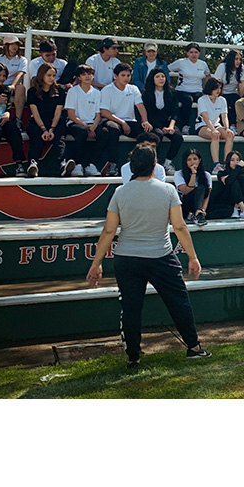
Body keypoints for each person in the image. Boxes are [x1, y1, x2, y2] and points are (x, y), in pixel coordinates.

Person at [86, 145, 210, 368]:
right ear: (155, 165)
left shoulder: (120, 192)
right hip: (160, 255)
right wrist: (193, 257)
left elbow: (109, 231)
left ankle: (133, 358)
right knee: (179, 302)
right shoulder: (168, 190)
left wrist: (97, 263)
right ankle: (193, 347)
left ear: (132, 166)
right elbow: (180, 227)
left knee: (131, 308)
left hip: (126, 257)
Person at [100, 63, 154, 177]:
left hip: (130, 121)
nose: (126, 78)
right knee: (113, 130)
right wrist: (122, 123)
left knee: (146, 133)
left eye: (128, 75)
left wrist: (145, 121)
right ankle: (112, 164)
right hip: (112, 120)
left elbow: (140, 106)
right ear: (116, 76)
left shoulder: (133, 89)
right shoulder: (107, 90)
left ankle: (144, 163)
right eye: (123, 75)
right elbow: (104, 112)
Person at [25, 62, 69, 177]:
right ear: (42, 75)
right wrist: (44, 129)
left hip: (55, 121)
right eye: (49, 75)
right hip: (38, 121)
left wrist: (52, 129)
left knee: (59, 138)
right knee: (36, 137)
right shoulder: (32, 91)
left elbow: (58, 112)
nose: (52, 78)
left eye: (54, 75)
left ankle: (63, 163)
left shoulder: (60, 90)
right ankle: (33, 164)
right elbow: (35, 113)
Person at [64, 64, 108, 177]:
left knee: (104, 133)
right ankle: (77, 165)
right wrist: (85, 126)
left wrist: (93, 127)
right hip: (75, 123)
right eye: (84, 74)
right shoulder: (73, 91)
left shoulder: (97, 93)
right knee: (81, 132)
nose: (87, 77)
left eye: (90, 74)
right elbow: (71, 115)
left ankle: (91, 164)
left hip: (92, 123)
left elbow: (98, 114)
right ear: (79, 77)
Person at [141, 68, 183, 175]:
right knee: (157, 135)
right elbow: (149, 114)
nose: (161, 79)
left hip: (168, 122)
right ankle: (155, 163)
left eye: (163, 76)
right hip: (153, 123)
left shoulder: (172, 92)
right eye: (158, 77)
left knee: (178, 137)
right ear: (152, 79)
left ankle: (167, 163)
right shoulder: (146, 93)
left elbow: (175, 111)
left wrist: (171, 126)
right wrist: (161, 127)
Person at [196, 77, 235, 174]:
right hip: (202, 125)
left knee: (230, 135)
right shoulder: (202, 99)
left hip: (216, 125)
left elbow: (224, 116)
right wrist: (213, 130)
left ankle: (226, 164)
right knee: (215, 135)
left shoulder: (222, 100)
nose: (218, 90)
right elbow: (205, 117)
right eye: (216, 88)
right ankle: (216, 165)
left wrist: (227, 128)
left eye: (220, 88)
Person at [172, 43, 212, 133]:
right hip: (182, 90)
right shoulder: (181, 62)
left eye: (196, 52)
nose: (194, 54)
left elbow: (208, 75)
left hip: (198, 90)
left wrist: (208, 88)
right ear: (187, 53)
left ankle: (207, 123)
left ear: (199, 53)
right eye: (191, 52)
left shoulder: (203, 64)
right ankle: (185, 125)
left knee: (205, 99)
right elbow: (167, 69)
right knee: (188, 100)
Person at [0, 35, 29, 125]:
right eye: (12, 44)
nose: (14, 47)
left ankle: (17, 120)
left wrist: (13, 85)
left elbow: (20, 74)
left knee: (21, 88)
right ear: (5, 46)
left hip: (13, 86)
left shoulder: (22, 60)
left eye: (16, 44)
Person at [213, 150, 244, 220]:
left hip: (239, 200)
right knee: (234, 181)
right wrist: (237, 168)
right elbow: (228, 181)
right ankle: (243, 209)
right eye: (232, 160)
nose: (235, 162)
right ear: (228, 162)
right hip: (226, 202)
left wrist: (231, 175)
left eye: (238, 160)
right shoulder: (222, 173)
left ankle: (237, 208)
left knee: (243, 181)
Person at [174, 148, 212, 226]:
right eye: (189, 160)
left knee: (227, 209)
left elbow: (207, 196)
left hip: (200, 205)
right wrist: (193, 174)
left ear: (199, 160)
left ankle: (198, 215)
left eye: (195, 159)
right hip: (186, 204)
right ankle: (196, 214)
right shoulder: (178, 174)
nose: (192, 162)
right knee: (200, 188)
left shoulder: (207, 175)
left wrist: (203, 210)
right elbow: (186, 191)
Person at [213, 49, 244, 127]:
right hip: (221, 92)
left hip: (233, 92)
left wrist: (242, 98)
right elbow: (217, 82)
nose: (238, 61)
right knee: (224, 102)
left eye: (240, 59)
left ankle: (233, 125)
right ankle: (223, 125)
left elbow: (241, 83)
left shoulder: (241, 68)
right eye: (236, 59)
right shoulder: (222, 66)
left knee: (236, 103)